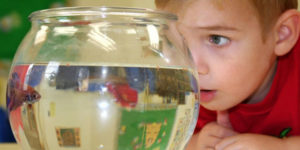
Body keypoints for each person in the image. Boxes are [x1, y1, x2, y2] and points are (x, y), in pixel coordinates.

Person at [156, 0, 300, 149]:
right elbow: (167, 142)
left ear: (282, 34)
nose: (191, 66)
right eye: (172, 41)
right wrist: (197, 144)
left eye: (217, 39)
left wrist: (283, 147)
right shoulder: (187, 89)